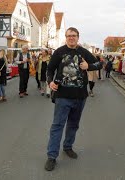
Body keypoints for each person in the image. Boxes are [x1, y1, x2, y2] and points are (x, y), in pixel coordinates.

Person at [45, 27, 102, 171]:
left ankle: (68, 147)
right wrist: (50, 82)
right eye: (69, 35)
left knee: (73, 125)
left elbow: (100, 64)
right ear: (66, 37)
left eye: (74, 36)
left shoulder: (83, 52)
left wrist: (88, 66)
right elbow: (49, 69)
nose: (71, 38)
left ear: (78, 37)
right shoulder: (59, 52)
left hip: (80, 97)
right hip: (62, 97)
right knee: (57, 126)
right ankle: (52, 156)